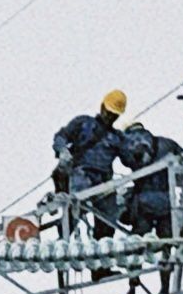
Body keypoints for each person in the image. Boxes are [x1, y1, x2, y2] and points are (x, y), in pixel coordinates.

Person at [51, 89, 157, 232]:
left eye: (114, 115)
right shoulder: (83, 123)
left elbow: (129, 160)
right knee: (76, 204)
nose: (110, 117)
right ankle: (65, 232)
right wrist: (62, 150)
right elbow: (61, 137)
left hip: (103, 181)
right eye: (108, 112)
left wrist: (141, 155)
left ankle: (102, 242)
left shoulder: (117, 138)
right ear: (102, 107)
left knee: (108, 215)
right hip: (82, 174)